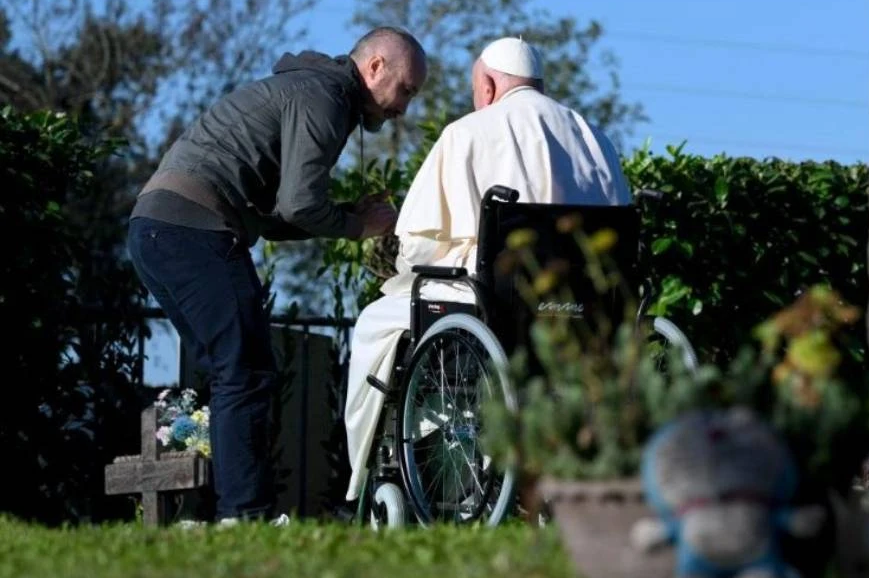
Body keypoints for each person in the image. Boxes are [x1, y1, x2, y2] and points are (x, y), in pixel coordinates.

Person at [127, 27, 428, 523]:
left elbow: (277, 218)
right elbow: (302, 204)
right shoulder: (326, 98)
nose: (404, 107)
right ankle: (243, 515)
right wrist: (359, 226)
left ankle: (216, 511)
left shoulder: (307, 91)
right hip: (192, 228)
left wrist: (350, 214)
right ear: (375, 67)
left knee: (231, 373)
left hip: (157, 228)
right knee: (244, 370)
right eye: (406, 90)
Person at [343, 35, 631, 503]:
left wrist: (403, 269)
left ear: (490, 86)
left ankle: (362, 482)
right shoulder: (594, 139)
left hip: (492, 304)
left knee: (375, 324)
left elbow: (416, 245)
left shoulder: (469, 132)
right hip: (580, 307)